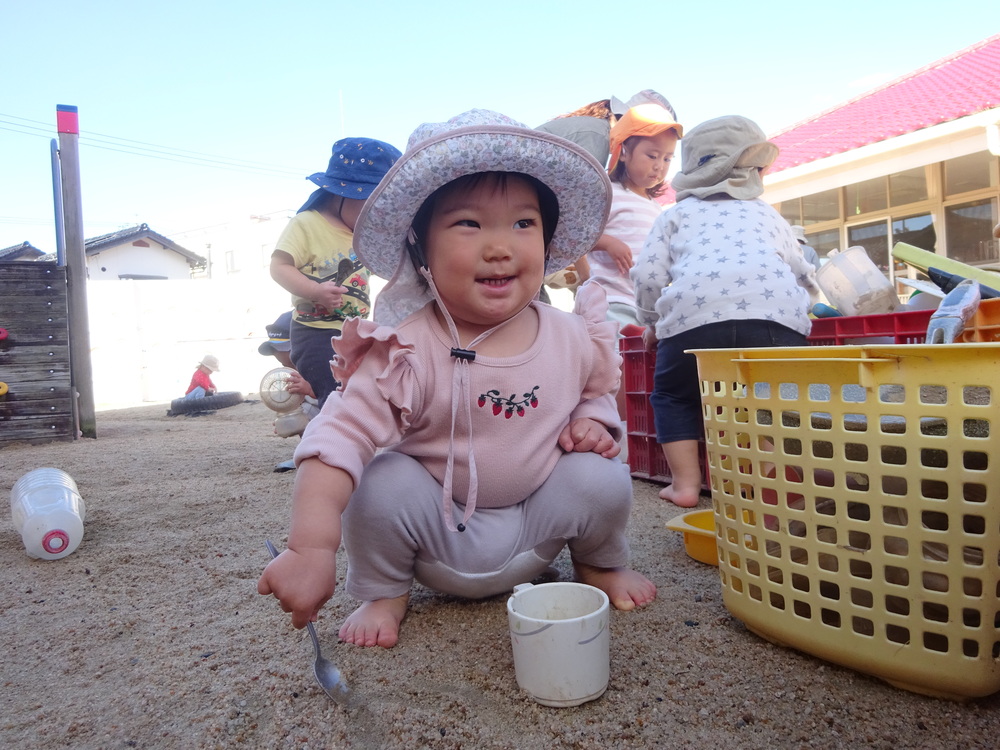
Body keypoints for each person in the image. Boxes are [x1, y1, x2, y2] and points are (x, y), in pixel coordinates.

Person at [258, 109, 656, 649]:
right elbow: (337, 439)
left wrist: (590, 421)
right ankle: (385, 589)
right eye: (468, 223)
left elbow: (597, 392)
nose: (500, 246)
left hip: (536, 532)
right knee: (378, 481)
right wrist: (310, 547)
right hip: (434, 540)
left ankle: (597, 563)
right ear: (420, 248)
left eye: (524, 223)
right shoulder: (405, 348)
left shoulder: (571, 335)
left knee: (600, 473)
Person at [632, 115, 820, 508]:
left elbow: (649, 276)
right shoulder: (766, 213)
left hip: (690, 322)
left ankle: (685, 485)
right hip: (775, 319)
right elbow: (802, 269)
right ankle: (784, 478)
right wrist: (807, 308)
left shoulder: (674, 215)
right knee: (771, 401)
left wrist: (651, 323)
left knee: (673, 395)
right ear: (755, 172)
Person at [269, 138, 402, 408]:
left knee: (360, 391)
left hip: (355, 332)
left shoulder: (359, 233)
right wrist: (314, 291)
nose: (374, 217)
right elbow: (279, 267)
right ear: (344, 194)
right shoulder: (306, 224)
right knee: (334, 396)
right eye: (370, 207)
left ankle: (350, 440)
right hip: (316, 332)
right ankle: (328, 446)